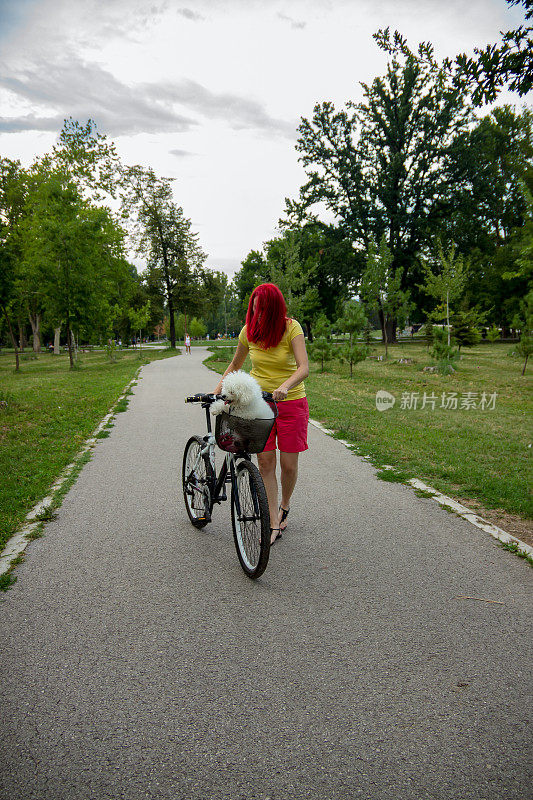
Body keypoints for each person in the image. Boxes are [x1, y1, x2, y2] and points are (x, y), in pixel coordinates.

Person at [213, 283, 309, 545]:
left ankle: (284, 506)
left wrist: (284, 386)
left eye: (263, 310)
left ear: (275, 309)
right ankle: (273, 523)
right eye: (255, 310)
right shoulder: (249, 332)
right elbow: (235, 364)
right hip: (258, 405)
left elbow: (303, 367)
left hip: (291, 403)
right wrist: (216, 391)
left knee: (288, 465)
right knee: (265, 462)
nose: (259, 315)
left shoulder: (292, 328)